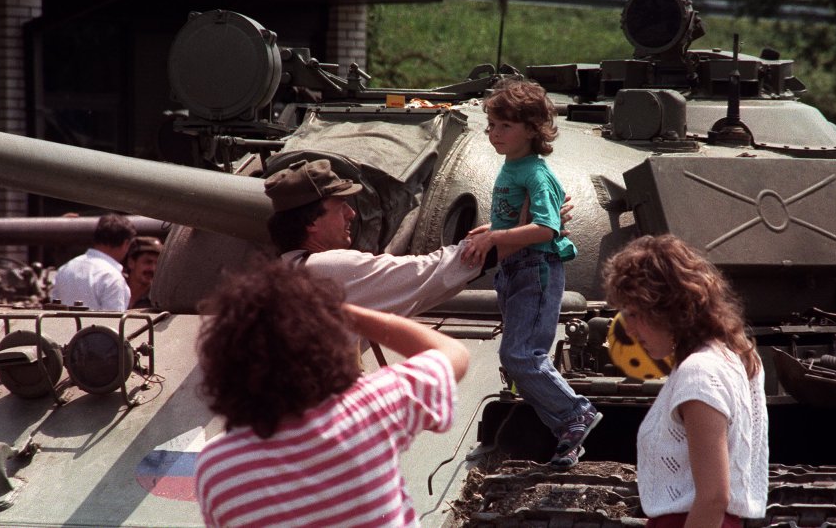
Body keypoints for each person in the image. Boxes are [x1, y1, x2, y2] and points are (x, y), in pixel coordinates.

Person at [193, 260, 469, 528]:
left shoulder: (216, 467)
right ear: (324, 344)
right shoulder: (371, 408)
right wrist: (344, 313)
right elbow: (454, 354)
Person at [459, 78, 600, 470]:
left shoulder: (536, 174)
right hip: (514, 269)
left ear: (532, 129)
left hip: (535, 269)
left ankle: (577, 413)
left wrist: (498, 236)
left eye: (505, 126)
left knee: (521, 355)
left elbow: (547, 228)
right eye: (491, 125)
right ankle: (566, 433)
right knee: (518, 362)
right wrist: (493, 230)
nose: (494, 133)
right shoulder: (513, 167)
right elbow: (518, 218)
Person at [263, 158, 574, 317]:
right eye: (339, 207)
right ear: (311, 224)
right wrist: (518, 232)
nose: (351, 215)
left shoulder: (285, 274)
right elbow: (427, 273)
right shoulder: (326, 270)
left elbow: (419, 293)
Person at [602, 234, 769, 528]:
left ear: (668, 308)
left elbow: (713, 497)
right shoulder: (730, 356)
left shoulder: (700, 372)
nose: (628, 329)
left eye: (634, 313)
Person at [50, 213, 136, 311]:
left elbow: (54, 311)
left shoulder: (65, 269)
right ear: (126, 243)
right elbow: (113, 324)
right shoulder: (112, 277)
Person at [125, 236, 163, 309]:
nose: (153, 269)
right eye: (148, 262)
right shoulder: (113, 287)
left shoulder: (159, 299)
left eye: (157, 263)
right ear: (131, 262)